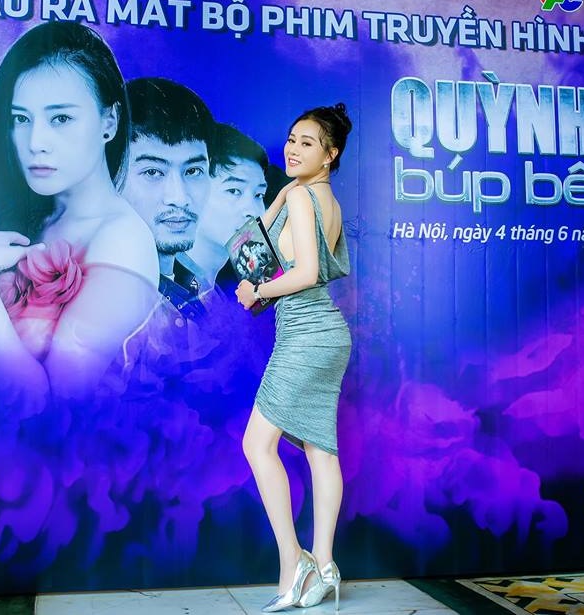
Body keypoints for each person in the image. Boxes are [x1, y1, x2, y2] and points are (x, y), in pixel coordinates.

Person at [0, 21, 159, 399]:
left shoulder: (122, 240)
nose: (36, 142)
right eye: (21, 119)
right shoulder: (36, 215)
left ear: (109, 121)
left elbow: (48, 405)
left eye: (61, 118)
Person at [235, 103, 353, 612]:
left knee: (257, 445)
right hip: (325, 333)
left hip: (307, 334)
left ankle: (293, 561)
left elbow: (303, 273)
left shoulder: (305, 196)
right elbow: (251, 243)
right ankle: (324, 566)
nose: (293, 148)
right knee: (320, 450)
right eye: (291, 139)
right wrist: (283, 192)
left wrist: (257, 290)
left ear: (330, 155)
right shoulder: (318, 198)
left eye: (307, 143)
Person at [121, 77, 214, 321]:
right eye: (153, 172)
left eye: (193, 171)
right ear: (111, 178)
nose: (179, 198)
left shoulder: (203, 287)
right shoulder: (93, 298)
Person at [187, 123, 268, 290]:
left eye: (259, 195)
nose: (253, 211)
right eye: (234, 191)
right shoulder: (159, 285)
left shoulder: (217, 293)